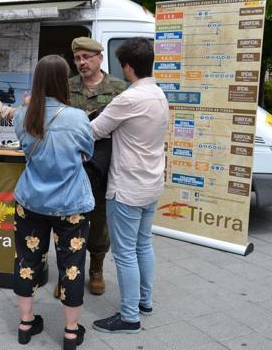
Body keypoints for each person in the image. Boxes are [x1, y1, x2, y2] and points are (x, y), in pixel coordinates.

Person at [13, 55, 93, 350]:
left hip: (31, 201)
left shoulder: (22, 115)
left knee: (26, 260)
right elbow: (88, 152)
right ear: (63, 81)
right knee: (71, 265)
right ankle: (71, 332)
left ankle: (25, 323)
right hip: (71, 203)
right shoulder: (77, 117)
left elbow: (24, 148)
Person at [91, 37, 169, 334]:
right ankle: (144, 302)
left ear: (127, 66)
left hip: (126, 187)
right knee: (143, 244)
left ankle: (129, 316)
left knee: (124, 252)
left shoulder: (128, 98)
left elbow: (94, 130)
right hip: (151, 183)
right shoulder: (159, 94)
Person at [50, 37, 126, 297]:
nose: (81, 63)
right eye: (78, 58)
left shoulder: (118, 88)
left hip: (105, 167)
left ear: (99, 58)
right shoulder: (67, 87)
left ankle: (96, 267)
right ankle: (67, 273)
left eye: (86, 57)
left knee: (99, 220)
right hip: (72, 167)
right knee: (67, 220)